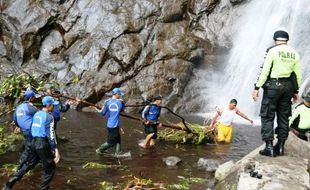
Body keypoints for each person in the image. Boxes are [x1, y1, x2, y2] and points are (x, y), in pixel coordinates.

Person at [252, 30, 302, 157]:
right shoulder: (295, 53)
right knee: (284, 117)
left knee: (267, 115)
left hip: (273, 86)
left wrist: (256, 87)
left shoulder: (272, 51)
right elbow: (297, 75)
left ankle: (269, 146)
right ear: (287, 41)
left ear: (275, 40)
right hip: (288, 88)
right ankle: (280, 147)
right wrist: (296, 91)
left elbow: (265, 71)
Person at [3, 96, 61, 190]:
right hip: (42, 144)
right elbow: (51, 134)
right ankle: (44, 188)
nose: (53, 107)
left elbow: (32, 129)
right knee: (50, 169)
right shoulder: (50, 117)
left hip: (34, 142)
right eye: (52, 105)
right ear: (48, 105)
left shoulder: (36, 114)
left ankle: (10, 182)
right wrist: (56, 149)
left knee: (29, 164)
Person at [13, 89, 40, 170]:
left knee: (30, 146)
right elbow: (40, 115)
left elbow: (15, 118)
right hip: (31, 131)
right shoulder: (31, 107)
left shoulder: (18, 107)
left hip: (24, 130)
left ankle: (32, 162)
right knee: (29, 148)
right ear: (31, 98)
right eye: (34, 97)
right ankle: (20, 167)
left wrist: (19, 126)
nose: (35, 99)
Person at [95, 88, 125, 156]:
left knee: (118, 139)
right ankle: (100, 150)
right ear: (117, 94)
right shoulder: (121, 102)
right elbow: (122, 110)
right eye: (120, 94)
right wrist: (121, 102)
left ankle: (118, 153)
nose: (120, 96)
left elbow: (102, 113)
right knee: (111, 143)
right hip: (114, 126)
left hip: (110, 125)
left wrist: (97, 109)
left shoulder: (107, 102)